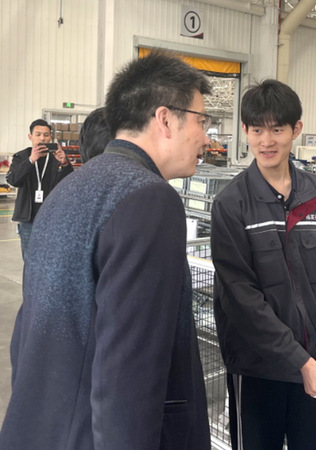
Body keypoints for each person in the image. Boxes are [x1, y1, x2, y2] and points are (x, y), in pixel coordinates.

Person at [0, 52, 213, 449]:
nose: (207, 138)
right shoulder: (149, 198)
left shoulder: (70, 188)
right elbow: (130, 370)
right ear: (165, 119)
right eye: (202, 121)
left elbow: (26, 329)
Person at [211, 79, 316, 450]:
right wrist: (298, 360)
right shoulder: (232, 204)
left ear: (296, 129)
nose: (267, 141)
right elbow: (240, 296)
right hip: (258, 367)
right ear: (245, 131)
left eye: (277, 129)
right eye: (257, 130)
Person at [6, 119, 73, 259]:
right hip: (28, 219)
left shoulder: (56, 157)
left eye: (46, 135)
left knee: (51, 258)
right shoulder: (21, 157)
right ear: (30, 137)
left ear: (51, 137)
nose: (42, 138)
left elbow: (70, 184)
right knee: (29, 259)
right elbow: (13, 180)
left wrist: (65, 164)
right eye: (38, 134)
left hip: (52, 218)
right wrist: (31, 160)